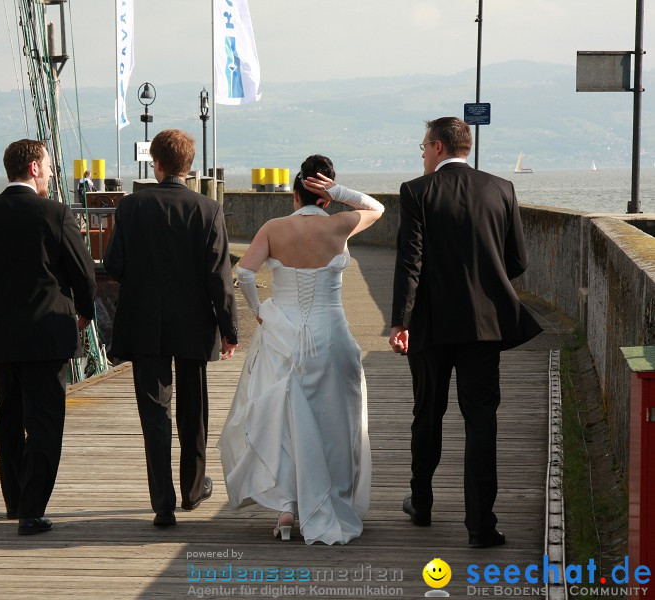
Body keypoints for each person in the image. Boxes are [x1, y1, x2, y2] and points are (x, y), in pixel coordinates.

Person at [390, 117, 542, 548]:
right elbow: (518, 261)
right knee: (481, 421)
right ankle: (480, 525)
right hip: (484, 325)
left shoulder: (416, 192)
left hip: (431, 324)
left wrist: (401, 320)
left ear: (438, 147)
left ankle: (421, 504)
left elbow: (410, 262)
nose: (421, 154)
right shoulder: (501, 189)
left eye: (423, 146)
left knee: (428, 415)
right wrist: (486, 288)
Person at [218, 154, 384, 545]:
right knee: (334, 420)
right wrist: (338, 191)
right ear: (325, 197)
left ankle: (288, 507)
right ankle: (328, 499)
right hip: (332, 334)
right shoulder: (342, 224)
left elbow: (243, 272)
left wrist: (260, 311)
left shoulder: (275, 227)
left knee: (286, 421)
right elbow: (376, 207)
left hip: (283, 335)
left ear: (294, 195)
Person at [0, 139, 96, 536]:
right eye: (48, 166)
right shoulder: (56, 213)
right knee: (45, 421)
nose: (51, 173)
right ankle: (32, 511)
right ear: (34, 168)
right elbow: (84, 274)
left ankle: (14, 500)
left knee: (10, 414)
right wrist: (84, 310)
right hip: (47, 330)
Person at [103, 128, 239, 528]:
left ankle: (162, 502)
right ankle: (194, 490)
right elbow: (220, 277)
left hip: (145, 322)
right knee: (194, 410)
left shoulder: (130, 208)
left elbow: (114, 264)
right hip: (194, 323)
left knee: (154, 411)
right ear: (189, 165)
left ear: (156, 164)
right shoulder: (207, 210)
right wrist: (229, 329)